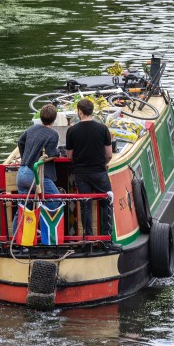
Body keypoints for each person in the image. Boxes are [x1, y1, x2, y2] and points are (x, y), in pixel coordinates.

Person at [65, 97, 114, 244]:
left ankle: (88, 237)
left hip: (81, 173)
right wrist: (102, 163)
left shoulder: (72, 130)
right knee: (106, 201)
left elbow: (69, 156)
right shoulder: (103, 129)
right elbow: (109, 154)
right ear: (92, 111)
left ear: (80, 112)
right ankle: (106, 237)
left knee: (85, 204)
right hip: (99, 171)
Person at [16, 104, 62, 210]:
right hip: (34, 175)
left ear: (40, 117)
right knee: (55, 201)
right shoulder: (53, 134)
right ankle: (43, 222)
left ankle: (18, 227)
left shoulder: (32, 128)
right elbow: (51, 153)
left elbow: (20, 142)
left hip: (21, 173)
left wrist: (25, 158)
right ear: (54, 119)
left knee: (23, 209)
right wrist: (58, 152)